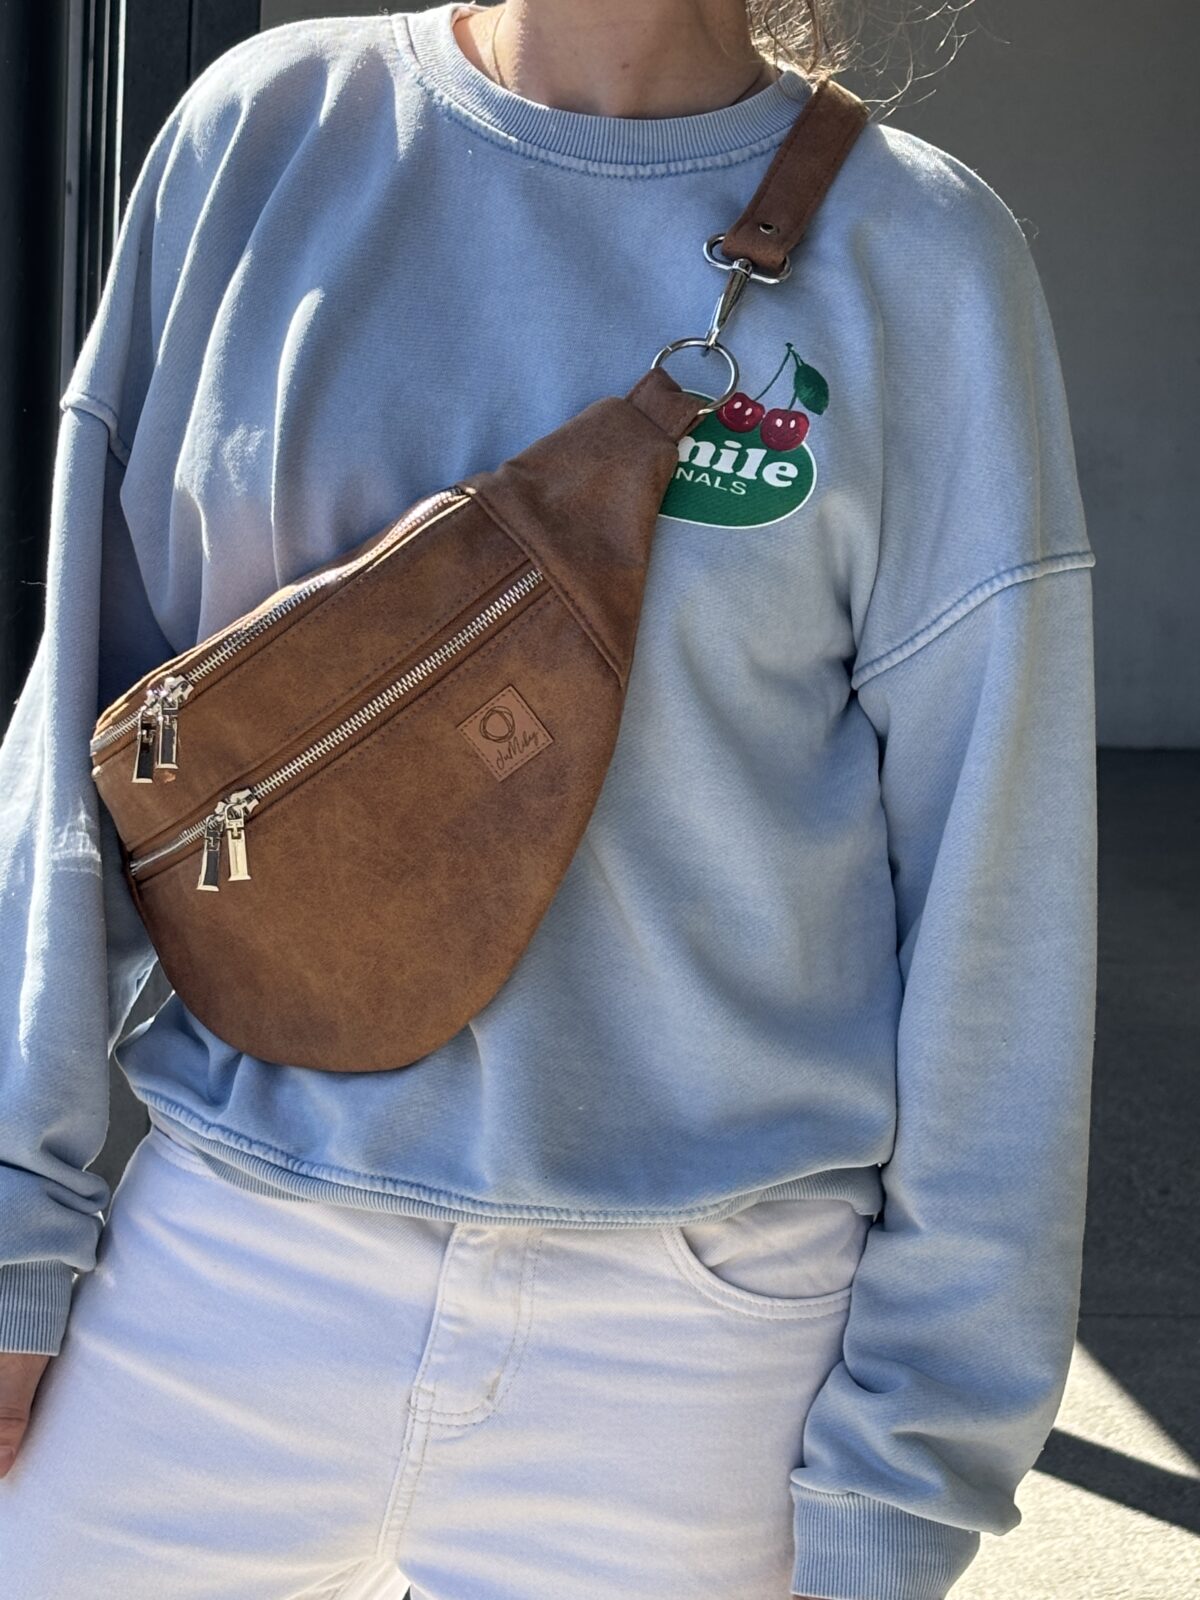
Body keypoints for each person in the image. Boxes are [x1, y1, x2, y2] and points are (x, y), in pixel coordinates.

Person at [0, 2, 1098, 1597]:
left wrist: (916, 1458)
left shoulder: (921, 257)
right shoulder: (267, 135)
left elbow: (1003, 900)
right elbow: (79, 748)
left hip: (705, 1331)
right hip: (235, 1240)